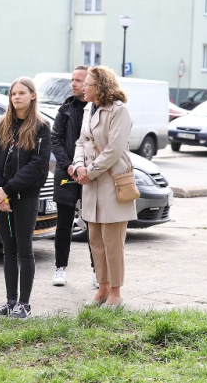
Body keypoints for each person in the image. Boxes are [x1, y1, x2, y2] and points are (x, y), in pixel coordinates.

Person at [0, 77, 51, 319]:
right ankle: (10, 301)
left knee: (25, 250)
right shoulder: (2, 124)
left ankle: (24, 304)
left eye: (22, 93)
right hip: (1, 196)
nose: (16, 97)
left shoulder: (41, 127)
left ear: (33, 95)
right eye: (13, 94)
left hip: (24, 196)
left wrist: (8, 190)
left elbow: (37, 166)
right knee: (8, 250)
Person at [73, 66, 137, 309]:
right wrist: (79, 165)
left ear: (99, 87)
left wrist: (89, 171)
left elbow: (114, 149)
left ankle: (115, 293)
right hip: (92, 183)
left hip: (112, 183)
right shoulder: (89, 109)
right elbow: (81, 141)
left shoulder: (119, 111)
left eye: (87, 84)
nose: (82, 87)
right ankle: (101, 288)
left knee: (113, 242)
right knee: (96, 240)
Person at [50, 65, 96, 287]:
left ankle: (98, 271)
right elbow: (55, 139)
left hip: (91, 174)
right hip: (67, 174)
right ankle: (60, 268)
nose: (74, 84)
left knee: (93, 225)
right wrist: (69, 165)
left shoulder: (98, 109)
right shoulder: (65, 109)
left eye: (79, 80)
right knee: (64, 224)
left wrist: (87, 168)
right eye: (73, 80)